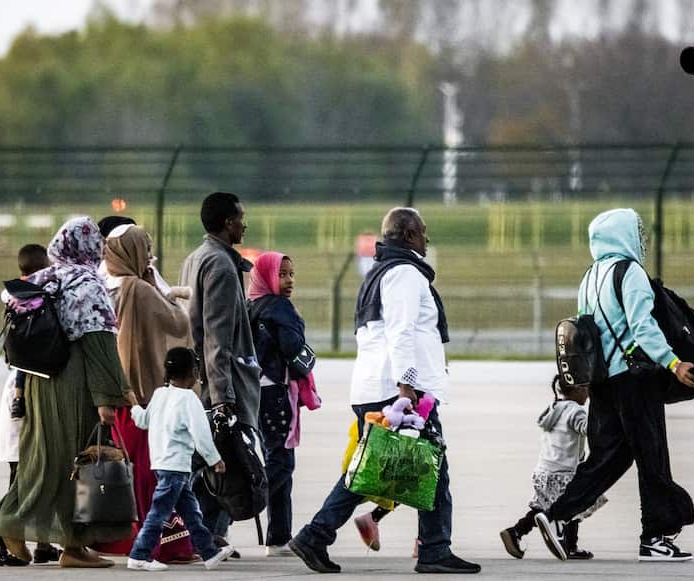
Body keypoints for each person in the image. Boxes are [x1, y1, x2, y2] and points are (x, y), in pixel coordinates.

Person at [289, 207, 480, 575]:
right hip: (397, 391)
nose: (427, 239)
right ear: (408, 235)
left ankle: (316, 535)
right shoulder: (405, 274)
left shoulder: (382, 272)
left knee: (372, 470)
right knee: (432, 468)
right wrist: (407, 387)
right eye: (423, 232)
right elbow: (401, 331)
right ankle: (435, 550)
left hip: (376, 386)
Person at [536, 208, 694, 563]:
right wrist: (673, 363)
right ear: (622, 235)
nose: (641, 238)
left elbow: (584, 331)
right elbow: (642, 326)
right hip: (635, 380)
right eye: (636, 231)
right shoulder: (631, 273)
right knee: (652, 455)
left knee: (607, 458)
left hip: (603, 383)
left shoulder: (590, 275)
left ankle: (557, 514)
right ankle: (656, 538)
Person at [0, 217, 137, 569]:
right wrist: (109, 397)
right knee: (75, 462)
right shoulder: (87, 284)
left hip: (39, 383)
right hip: (74, 386)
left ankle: (50, 539)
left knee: (41, 461)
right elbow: (99, 343)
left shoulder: (45, 278)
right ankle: (60, 541)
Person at [93, 223, 197, 563]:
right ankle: (158, 545)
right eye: (144, 247)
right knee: (150, 471)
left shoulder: (103, 285)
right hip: (146, 392)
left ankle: (122, 538)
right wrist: (156, 285)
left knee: (130, 467)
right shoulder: (138, 287)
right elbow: (179, 325)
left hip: (117, 392)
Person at [179, 192, 262, 544]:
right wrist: (223, 398)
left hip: (200, 378)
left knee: (206, 460)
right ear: (228, 223)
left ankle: (203, 535)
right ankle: (207, 538)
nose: (244, 223)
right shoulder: (221, 266)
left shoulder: (196, 258)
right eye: (240, 217)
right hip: (220, 382)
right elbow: (216, 336)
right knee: (228, 461)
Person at [126, 347, 233, 572]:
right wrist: (214, 459)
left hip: (162, 464)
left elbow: (143, 421)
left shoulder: (159, 394)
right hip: (176, 466)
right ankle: (139, 554)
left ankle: (209, 552)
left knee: (191, 511)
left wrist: (134, 405)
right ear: (193, 371)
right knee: (159, 512)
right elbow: (201, 434)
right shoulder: (189, 399)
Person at [0, 244, 62, 567]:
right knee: (22, 476)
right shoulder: (32, 302)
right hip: (24, 395)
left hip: (20, 392)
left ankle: (44, 543)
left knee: (31, 473)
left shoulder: (17, 298)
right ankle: (2, 543)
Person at [247, 251, 321, 557]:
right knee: (281, 462)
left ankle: (278, 537)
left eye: (291, 274)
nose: (289, 281)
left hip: (254, 392)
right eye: (282, 274)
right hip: (276, 392)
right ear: (268, 277)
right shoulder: (279, 308)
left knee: (272, 458)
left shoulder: (250, 305)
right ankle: (244, 504)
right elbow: (293, 347)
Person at [499, 375, 607, 560]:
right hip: (563, 471)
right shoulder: (576, 411)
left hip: (544, 471)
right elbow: (588, 429)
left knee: (542, 508)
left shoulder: (553, 408)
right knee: (574, 505)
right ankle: (570, 546)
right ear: (576, 390)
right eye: (586, 389)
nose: (588, 394)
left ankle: (515, 532)